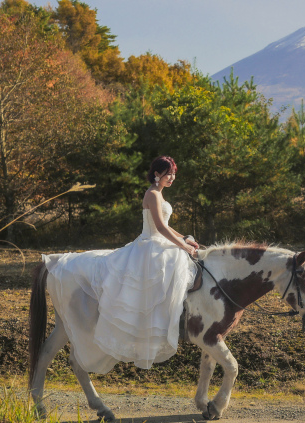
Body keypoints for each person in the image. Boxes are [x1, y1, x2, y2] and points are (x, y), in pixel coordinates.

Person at [42, 156, 199, 374]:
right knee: (169, 266)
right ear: (156, 174)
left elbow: (167, 227)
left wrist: (185, 239)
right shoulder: (152, 194)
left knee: (179, 264)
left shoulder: (160, 193)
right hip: (150, 243)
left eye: (173, 173)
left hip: (159, 241)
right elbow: (160, 229)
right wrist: (183, 246)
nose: (171, 178)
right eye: (167, 173)